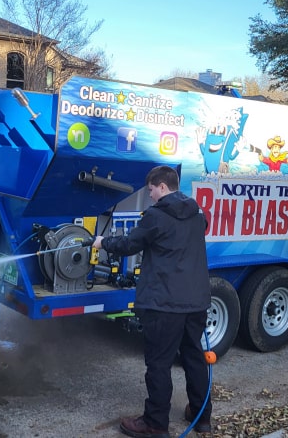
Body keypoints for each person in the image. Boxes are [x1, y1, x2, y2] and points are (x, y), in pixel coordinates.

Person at [92, 165, 212, 437]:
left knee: (159, 364)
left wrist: (103, 242)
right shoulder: (197, 213)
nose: (149, 196)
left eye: (150, 190)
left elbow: (129, 244)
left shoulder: (156, 216)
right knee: (194, 357)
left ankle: (156, 424)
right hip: (196, 302)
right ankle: (202, 415)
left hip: (164, 303)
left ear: (162, 186)